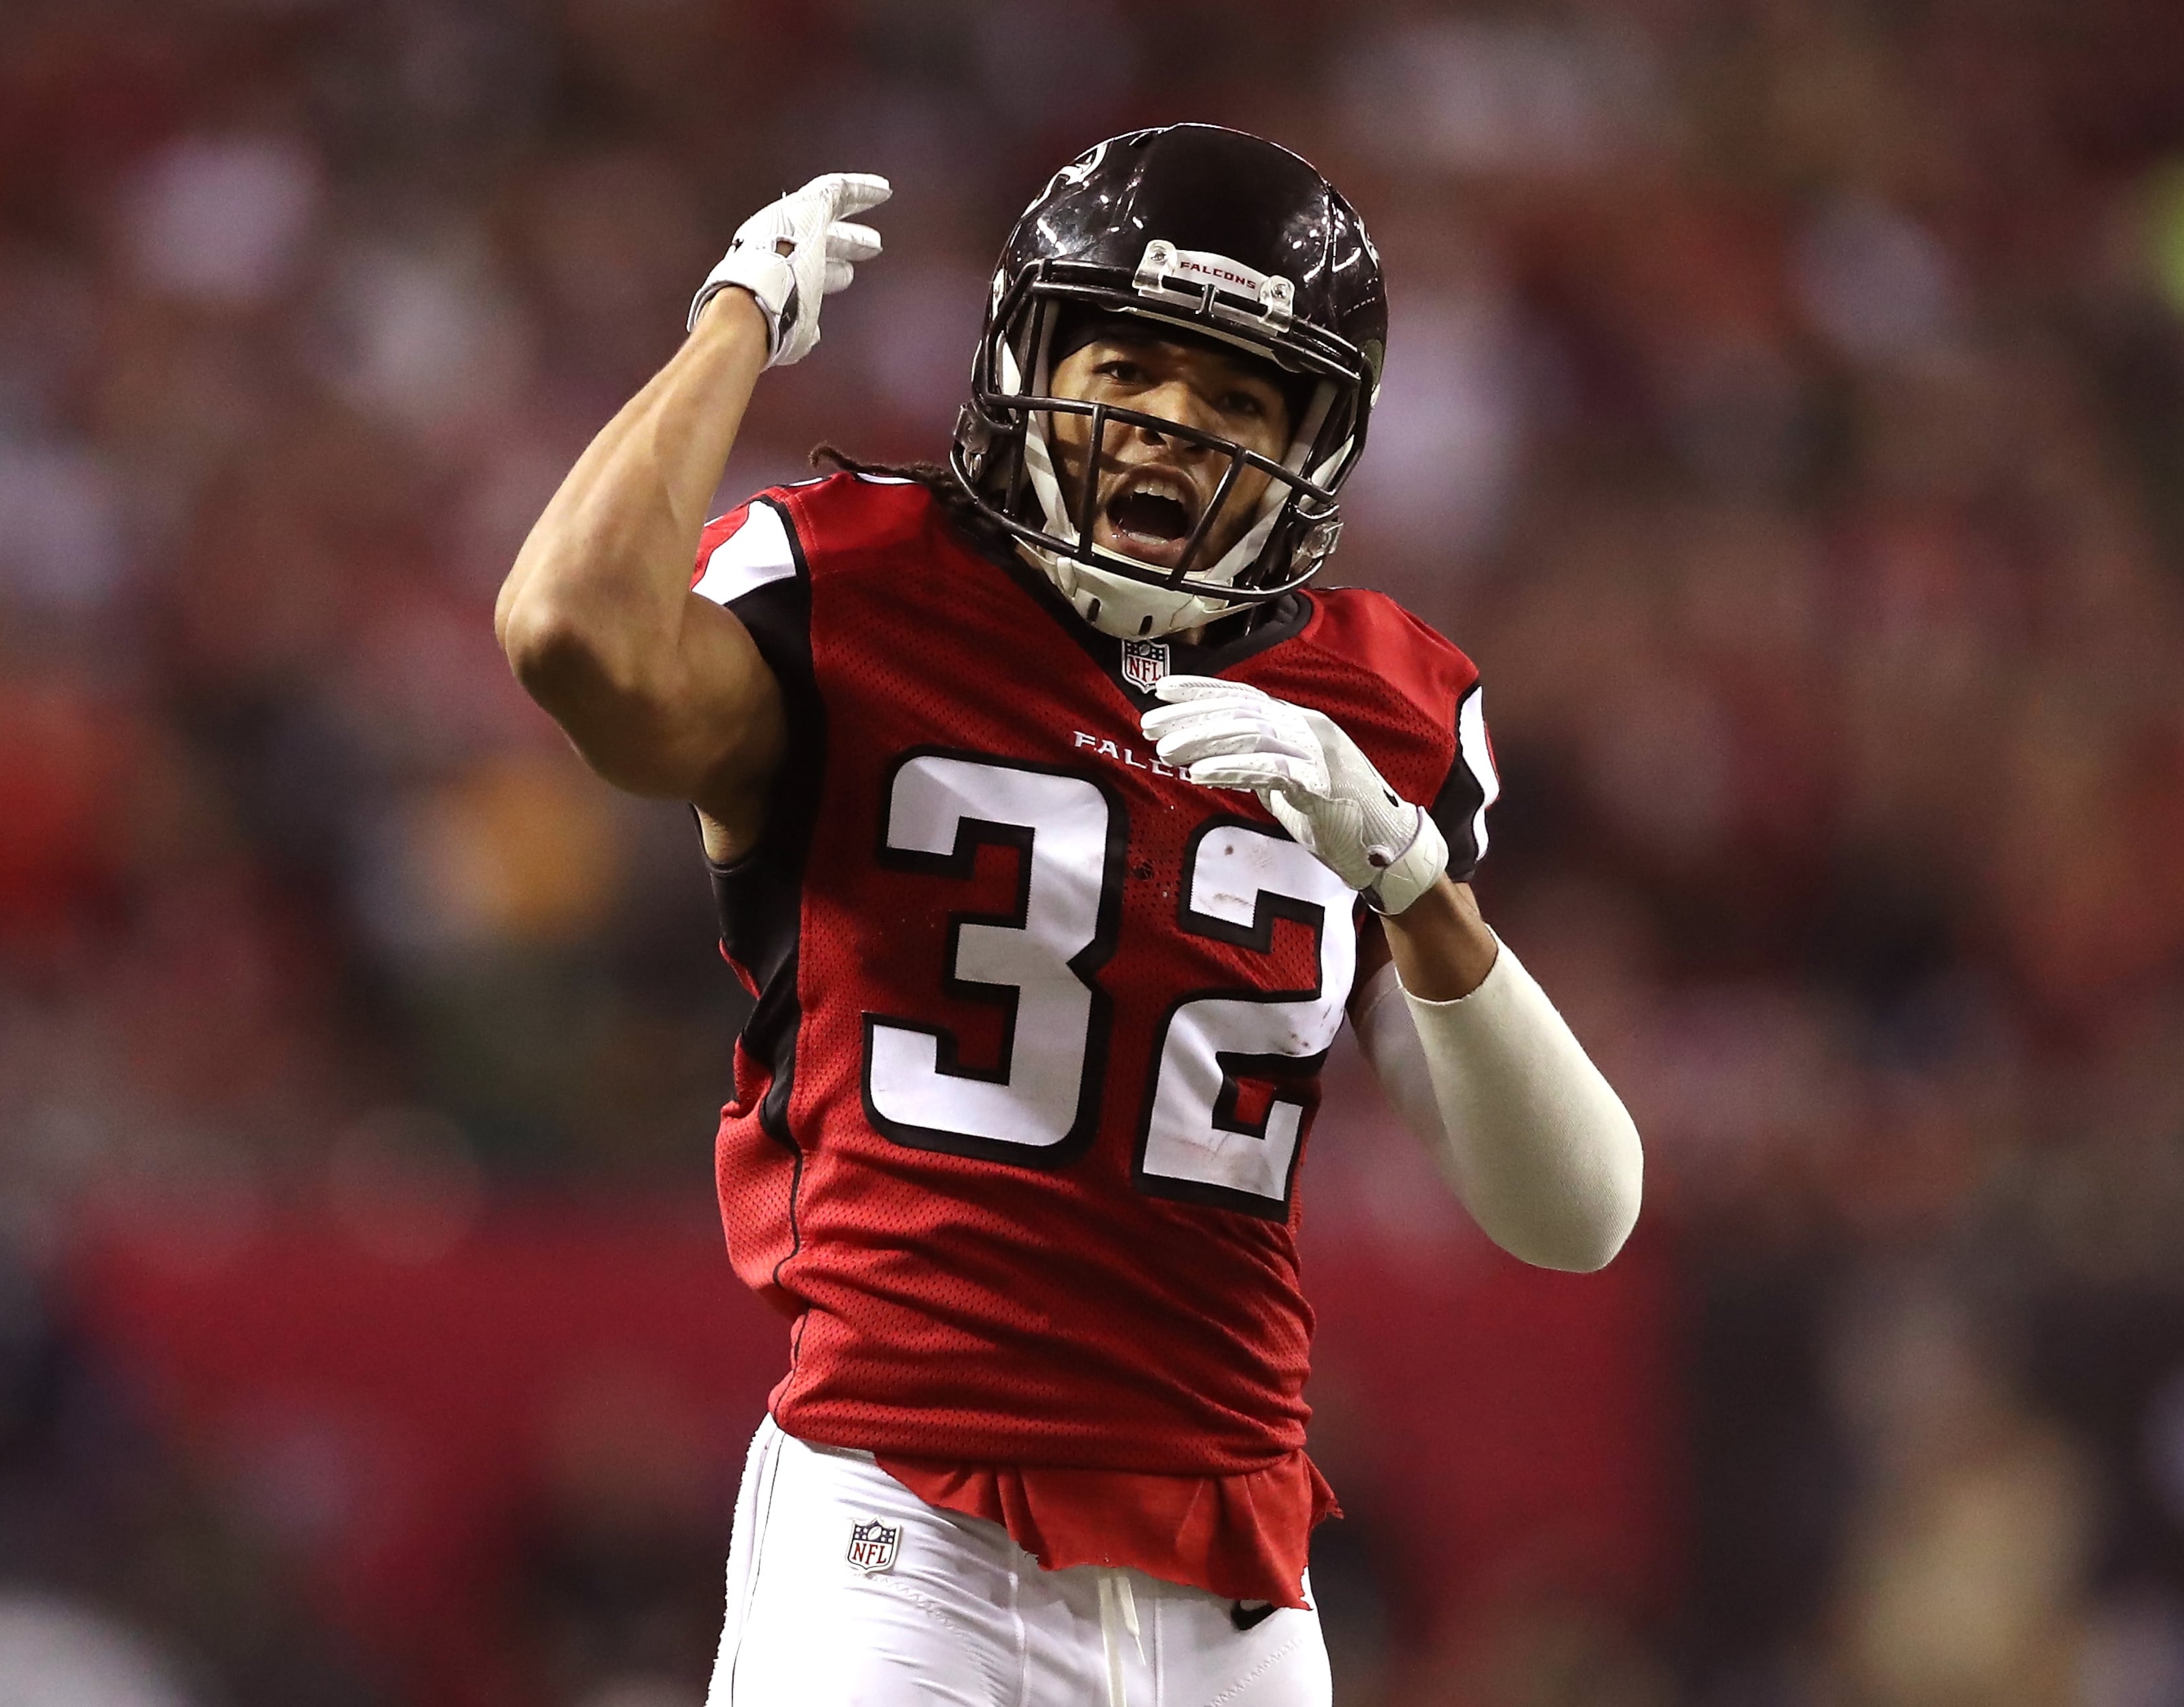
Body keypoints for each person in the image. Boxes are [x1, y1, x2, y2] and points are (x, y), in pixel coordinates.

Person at [497, 124, 1642, 1707]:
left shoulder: (1378, 707)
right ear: (1029, 365)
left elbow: (1575, 1213)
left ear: (1316, 444)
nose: (1173, 424)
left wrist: (1410, 877)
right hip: (902, 1521)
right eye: (1130, 369)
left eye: (1236, 398)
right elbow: (570, 631)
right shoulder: (858, 587)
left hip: (1232, 1568)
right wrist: (736, 322)